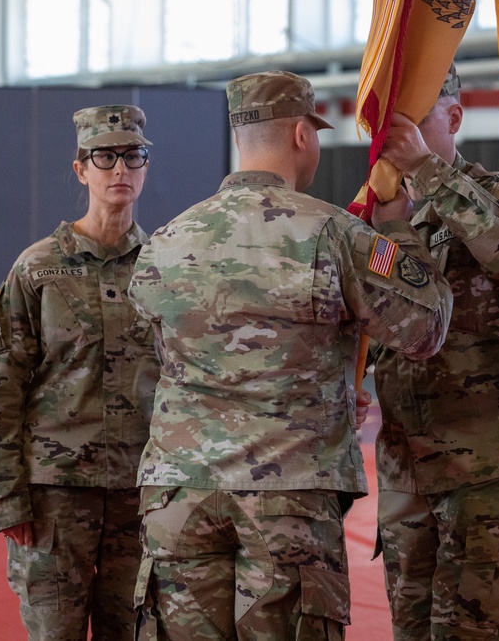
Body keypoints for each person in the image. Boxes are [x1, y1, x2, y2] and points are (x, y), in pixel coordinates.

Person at [128, 70, 452, 639]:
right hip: (288, 494)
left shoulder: (166, 240)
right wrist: (398, 231)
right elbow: (424, 328)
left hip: (178, 494)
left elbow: (161, 353)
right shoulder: (333, 234)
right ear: (303, 135)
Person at [372, 65, 499, 641]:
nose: (397, 131)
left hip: (487, 456)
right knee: (411, 626)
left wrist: (424, 170)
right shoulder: (384, 214)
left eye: (415, 116)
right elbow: (381, 319)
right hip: (406, 461)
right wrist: (390, 231)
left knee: (473, 629)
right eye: (390, 121)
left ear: (453, 117)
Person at [0, 105, 161, 640]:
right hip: (55, 496)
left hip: (140, 491)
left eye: (134, 156)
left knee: (130, 630)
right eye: (105, 157)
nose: (120, 170)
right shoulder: (38, 268)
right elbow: (4, 385)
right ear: (81, 168)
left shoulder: (164, 266)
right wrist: (5, 495)